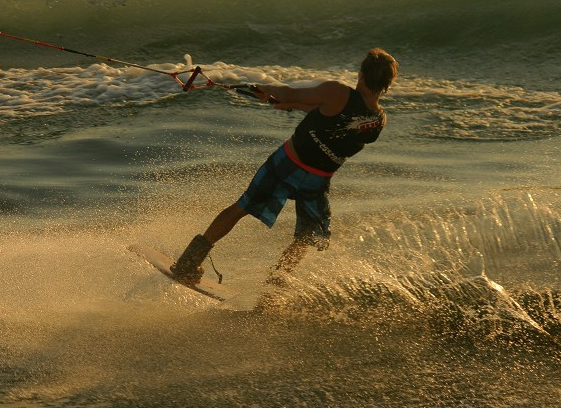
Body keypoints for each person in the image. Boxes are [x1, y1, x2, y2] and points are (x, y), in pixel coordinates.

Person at [170, 48, 398, 283]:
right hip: (318, 179)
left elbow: (292, 93)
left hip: (288, 163)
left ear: (361, 75)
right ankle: (271, 292)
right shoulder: (378, 120)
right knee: (305, 238)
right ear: (386, 84)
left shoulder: (337, 92)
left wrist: (266, 89)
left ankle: (189, 262)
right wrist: (289, 104)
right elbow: (333, 117)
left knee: (242, 207)